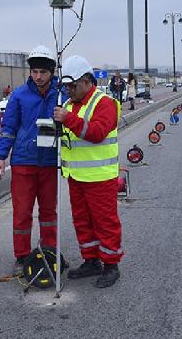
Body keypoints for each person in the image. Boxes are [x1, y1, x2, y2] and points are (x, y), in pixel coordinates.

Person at [0, 45, 66, 276]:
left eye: (43, 72)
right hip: (24, 161)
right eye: (34, 71)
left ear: (51, 72)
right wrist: (0, 157)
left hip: (49, 163)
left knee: (48, 211)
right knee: (22, 212)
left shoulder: (61, 94)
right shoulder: (19, 95)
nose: (38, 76)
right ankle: (22, 256)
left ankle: (49, 251)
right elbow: (9, 128)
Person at [53, 55, 123, 288]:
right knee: (82, 222)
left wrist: (68, 119)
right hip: (76, 176)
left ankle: (111, 265)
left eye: (72, 86)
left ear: (86, 81)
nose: (69, 90)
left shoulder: (104, 103)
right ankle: (91, 261)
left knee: (105, 222)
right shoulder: (68, 105)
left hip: (100, 177)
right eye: (66, 86)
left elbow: (96, 132)